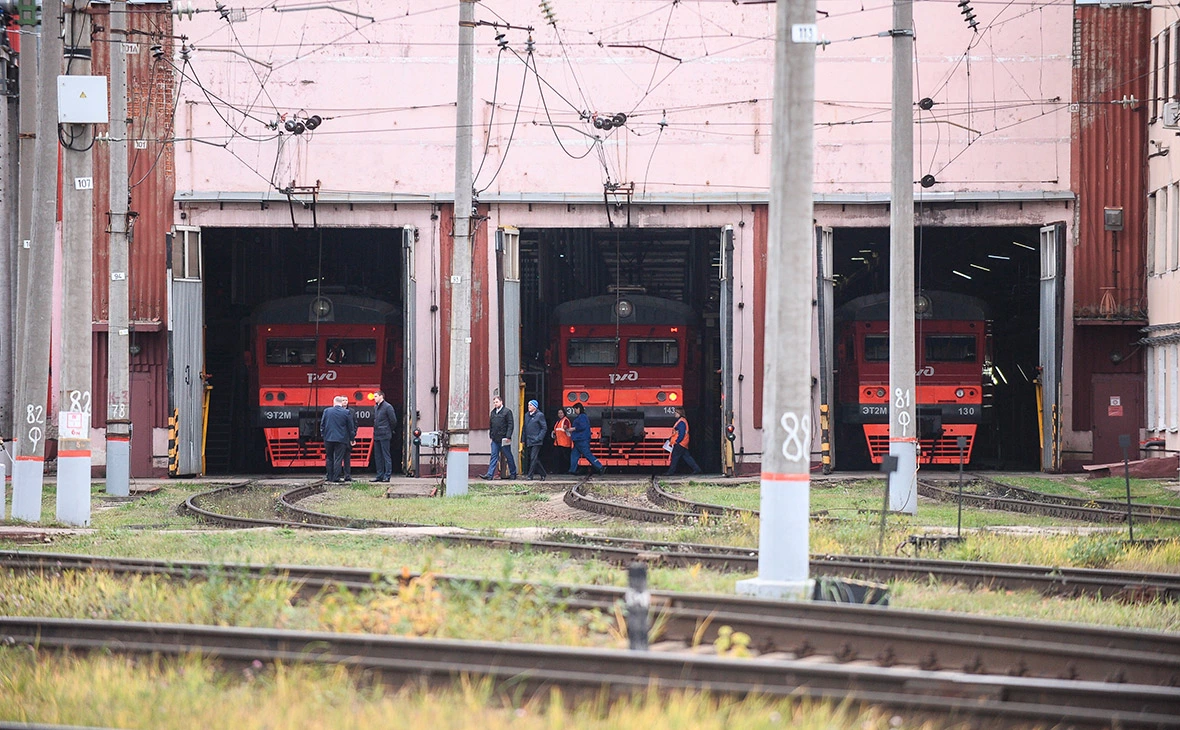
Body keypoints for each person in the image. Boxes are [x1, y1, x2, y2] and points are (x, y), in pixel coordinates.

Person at [481, 395, 517, 480]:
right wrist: (491, 434)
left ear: (501, 402)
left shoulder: (507, 412)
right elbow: (491, 424)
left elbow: (510, 425)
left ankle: (513, 473)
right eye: (494, 402)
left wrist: (508, 436)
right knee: (494, 456)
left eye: (497, 402)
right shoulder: (493, 412)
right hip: (495, 439)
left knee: (508, 456)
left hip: (504, 438)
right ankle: (490, 475)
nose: (495, 404)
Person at [320, 396, 354, 483]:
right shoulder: (346, 412)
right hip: (341, 439)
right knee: (338, 458)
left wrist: (323, 435)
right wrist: (352, 438)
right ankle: (336, 477)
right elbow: (350, 427)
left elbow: (322, 425)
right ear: (341, 403)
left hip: (328, 438)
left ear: (334, 402)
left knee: (329, 457)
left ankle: (329, 476)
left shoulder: (327, 411)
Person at [567, 403, 605, 475]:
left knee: (587, 454)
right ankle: (572, 470)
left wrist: (573, 429)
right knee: (574, 455)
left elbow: (582, 426)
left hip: (581, 439)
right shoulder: (582, 417)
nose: (574, 411)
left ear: (578, 408)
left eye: (575, 409)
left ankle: (600, 467)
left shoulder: (582, 417)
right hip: (579, 439)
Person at [664, 406, 702, 476]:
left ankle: (670, 472)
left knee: (675, 457)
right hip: (683, 442)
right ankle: (697, 469)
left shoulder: (681, 422)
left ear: (679, 413)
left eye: (676, 412)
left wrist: (677, 441)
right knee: (687, 457)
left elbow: (681, 433)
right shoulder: (682, 421)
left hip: (680, 443)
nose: (675, 414)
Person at [372, 390, 398, 482]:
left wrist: (388, 429)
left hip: (385, 434)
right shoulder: (376, 407)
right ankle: (379, 475)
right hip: (377, 434)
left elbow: (393, 420)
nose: (374, 398)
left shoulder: (388, 407)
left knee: (386, 455)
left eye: (376, 396)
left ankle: (387, 475)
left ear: (381, 396)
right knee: (378, 456)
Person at [522, 399, 548, 481]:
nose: (528, 407)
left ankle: (530, 476)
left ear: (535, 407)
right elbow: (524, 428)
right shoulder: (526, 415)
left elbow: (544, 428)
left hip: (536, 441)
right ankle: (543, 473)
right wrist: (523, 439)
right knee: (534, 459)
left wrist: (539, 438)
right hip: (529, 440)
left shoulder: (540, 415)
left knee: (533, 458)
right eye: (528, 405)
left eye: (530, 405)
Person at [339, 396, 358, 482]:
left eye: (346, 400)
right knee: (338, 458)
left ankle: (347, 475)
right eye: (343, 400)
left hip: (347, 438)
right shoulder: (337, 411)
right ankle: (337, 475)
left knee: (347, 458)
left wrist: (353, 436)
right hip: (339, 438)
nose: (345, 402)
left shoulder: (352, 411)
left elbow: (355, 424)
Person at [552, 407, 572, 473]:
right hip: (558, 443)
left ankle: (564, 470)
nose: (560, 414)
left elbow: (565, 428)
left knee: (564, 458)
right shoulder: (558, 421)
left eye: (561, 413)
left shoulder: (565, 420)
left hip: (564, 443)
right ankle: (557, 470)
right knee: (557, 458)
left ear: (564, 413)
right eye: (559, 413)